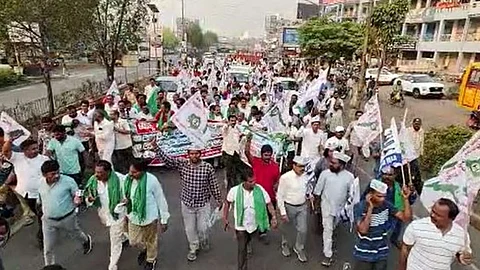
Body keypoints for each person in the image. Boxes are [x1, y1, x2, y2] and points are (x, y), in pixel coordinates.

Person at [154, 144, 222, 261]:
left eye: (196, 153)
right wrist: (156, 147)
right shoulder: (183, 164)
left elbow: (213, 184)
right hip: (187, 204)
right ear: (188, 154)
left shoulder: (207, 167)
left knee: (203, 228)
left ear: (200, 154)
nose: (194, 156)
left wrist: (218, 199)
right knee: (190, 229)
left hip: (203, 204)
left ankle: (203, 239)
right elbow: (168, 161)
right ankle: (193, 247)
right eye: (191, 153)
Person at [39, 160, 92, 266]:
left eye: (58, 172)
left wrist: (78, 198)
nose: (57, 175)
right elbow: (40, 199)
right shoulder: (40, 184)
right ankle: (49, 267)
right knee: (48, 248)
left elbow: (78, 192)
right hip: (48, 220)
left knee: (75, 233)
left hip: (67, 217)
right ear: (45, 175)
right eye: (53, 174)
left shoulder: (68, 181)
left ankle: (86, 240)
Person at [223, 168, 278, 270]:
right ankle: (242, 267)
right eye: (250, 181)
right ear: (244, 181)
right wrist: (225, 218)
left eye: (254, 180)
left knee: (249, 239)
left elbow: (269, 204)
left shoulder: (260, 190)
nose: (254, 183)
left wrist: (274, 217)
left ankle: (248, 243)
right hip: (241, 225)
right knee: (242, 249)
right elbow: (227, 203)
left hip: (255, 222)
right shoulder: (234, 191)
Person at [353, 179, 412, 270]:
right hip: (364, 254)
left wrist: (406, 199)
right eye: (379, 196)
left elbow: (406, 218)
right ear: (370, 194)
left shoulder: (386, 205)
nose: (382, 199)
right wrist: (370, 209)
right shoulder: (360, 207)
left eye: (384, 196)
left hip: (381, 253)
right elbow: (363, 230)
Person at [399, 198, 473, 270]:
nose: (433, 215)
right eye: (433, 211)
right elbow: (405, 249)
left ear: (451, 218)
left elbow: (460, 253)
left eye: (438, 215)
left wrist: (462, 258)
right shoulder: (416, 226)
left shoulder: (461, 234)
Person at [2, 138, 49, 248]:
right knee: (39, 215)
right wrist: (10, 140)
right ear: (24, 150)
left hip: (43, 193)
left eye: (36, 148)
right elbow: (5, 151)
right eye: (32, 149)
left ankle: (42, 237)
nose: (36, 150)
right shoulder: (17, 158)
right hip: (28, 194)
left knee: (43, 215)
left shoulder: (44, 159)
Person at [124, 159, 169, 270]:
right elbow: (126, 195)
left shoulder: (152, 180)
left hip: (150, 217)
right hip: (133, 216)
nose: (131, 174)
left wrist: (164, 219)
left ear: (143, 171)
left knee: (151, 240)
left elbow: (161, 199)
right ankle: (144, 249)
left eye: (134, 172)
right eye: (130, 171)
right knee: (133, 241)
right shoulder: (127, 179)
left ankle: (151, 260)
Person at [84, 160, 127, 270]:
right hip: (104, 213)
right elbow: (88, 196)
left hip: (118, 214)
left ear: (108, 172)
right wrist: (89, 199)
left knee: (114, 240)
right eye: (96, 172)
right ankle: (127, 237)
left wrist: (125, 202)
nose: (97, 175)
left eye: (100, 173)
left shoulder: (120, 179)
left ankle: (112, 265)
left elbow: (128, 194)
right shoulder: (93, 181)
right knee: (124, 234)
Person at [314, 151, 354, 266]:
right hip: (326, 206)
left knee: (332, 228)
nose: (331, 164)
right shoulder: (325, 174)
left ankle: (330, 244)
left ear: (342, 165)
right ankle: (327, 255)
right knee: (327, 230)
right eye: (331, 162)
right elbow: (317, 192)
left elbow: (351, 195)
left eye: (334, 163)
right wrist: (316, 207)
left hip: (340, 209)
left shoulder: (349, 177)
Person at [245, 139, 280, 244]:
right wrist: (248, 140)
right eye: (265, 154)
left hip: (270, 196)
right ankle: (250, 235)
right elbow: (247, 152)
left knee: (268, 216)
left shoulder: (275, 166)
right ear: (262, 154)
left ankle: (262, 232)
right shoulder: (256, 162)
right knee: (254, 214)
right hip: (256, 195)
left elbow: (277, 180)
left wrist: (276, 187)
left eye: (269, 154)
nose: (267, 156)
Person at [277, 156, 309, 262]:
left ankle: (299, 248)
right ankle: (285, 244)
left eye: (304, 166)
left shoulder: (306, 176)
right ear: (294, 166)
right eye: (300, 166)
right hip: (289, 206)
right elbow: (280, 196)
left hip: (302, 206)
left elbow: (308, 189)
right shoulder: (285, 178)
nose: (302, 169)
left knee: (303, 229)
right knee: (287, 228)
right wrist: (283, 212)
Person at [222, 114, 243, 189]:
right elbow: (224, 130)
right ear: (229, 121)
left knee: (236, 170)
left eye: (234, 121)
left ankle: (235, 187)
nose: (233, 122)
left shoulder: (237, 128)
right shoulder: (226, 128)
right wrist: (227, 124)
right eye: (232, 121)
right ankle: (228, 187)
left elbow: (240, 136)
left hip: (236, 152)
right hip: (228, 152)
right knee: (228, 171)